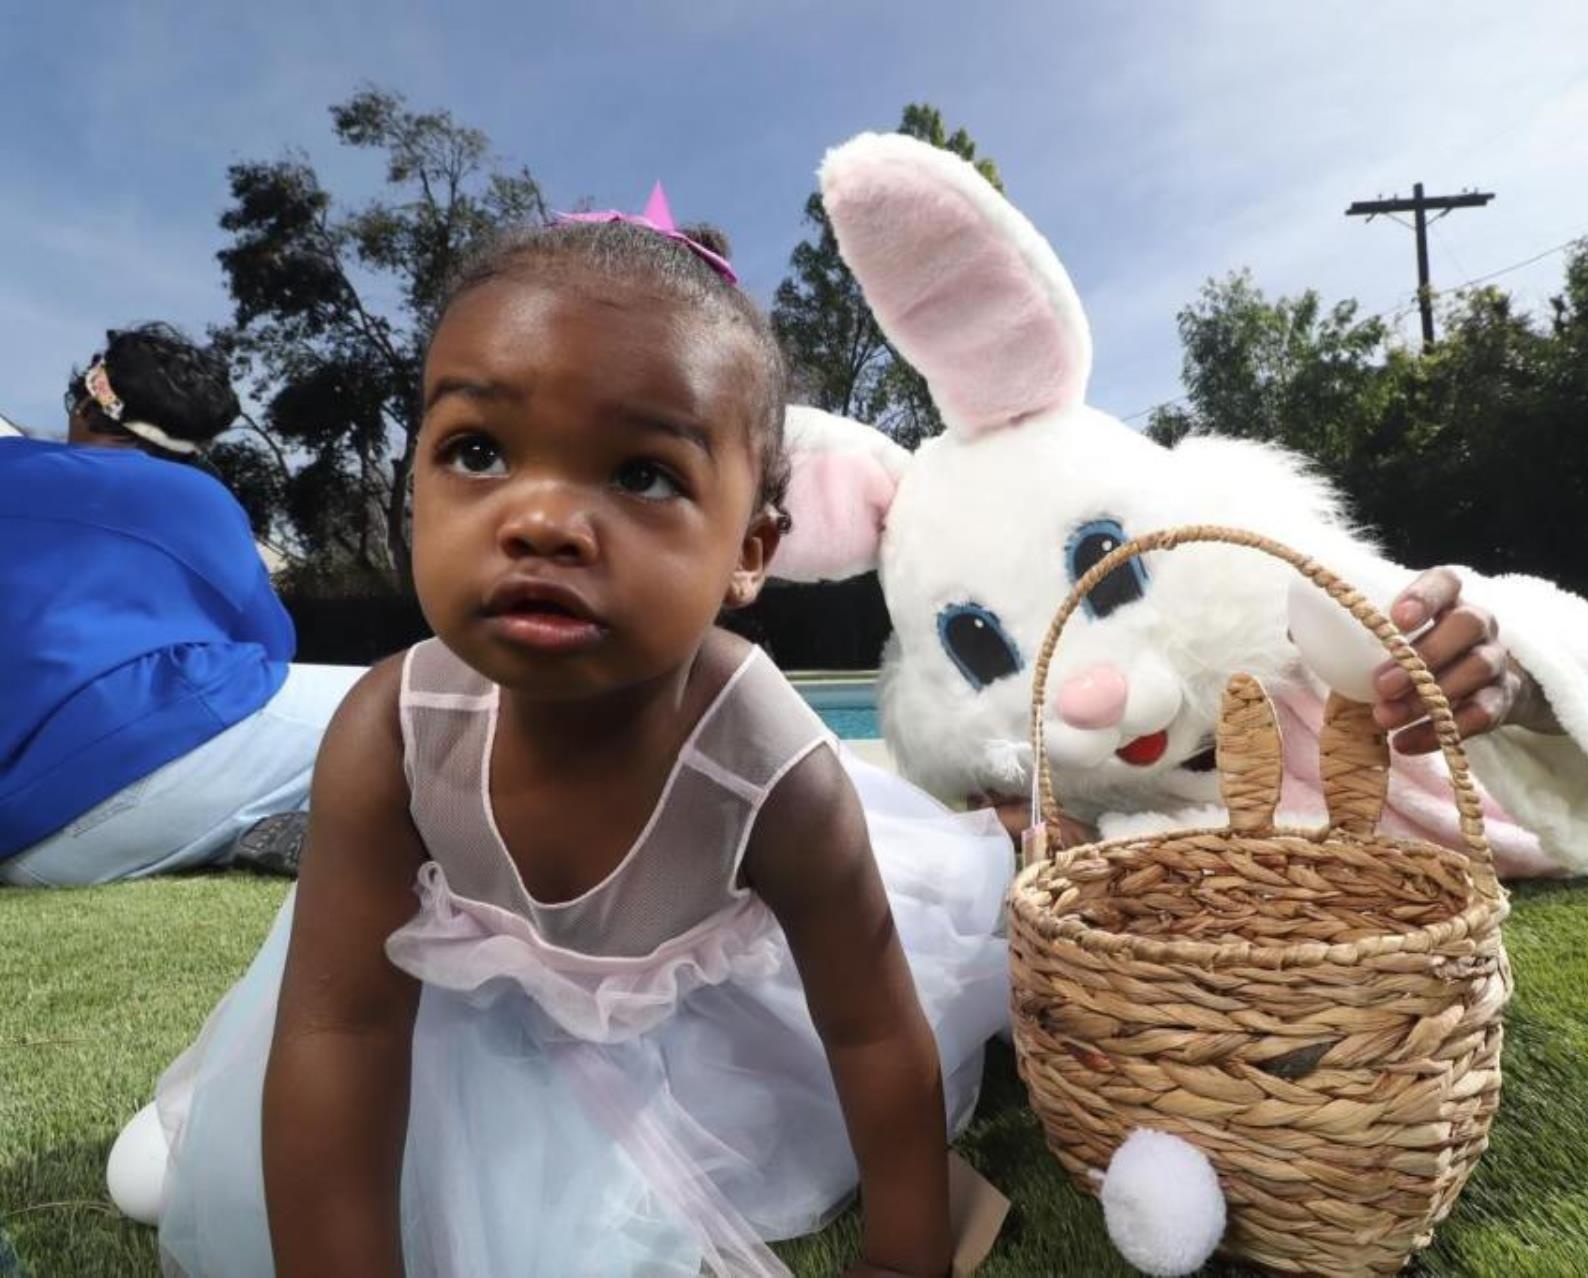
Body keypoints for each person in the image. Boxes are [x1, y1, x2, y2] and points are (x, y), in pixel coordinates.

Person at [114, 200, 1012, 1278]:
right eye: (479, 450)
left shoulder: (774, 776)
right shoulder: (393, 732)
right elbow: (341, 1032)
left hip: (690, 1026)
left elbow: (869, 1033)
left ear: (751, 548)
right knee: (184, 1175)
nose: (540, 518)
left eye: (642, 474)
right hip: (456, 1012)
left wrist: (904, 1256)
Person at [0, 325, 361, 886]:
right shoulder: (195, 498)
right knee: (437, 700)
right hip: (130, 777)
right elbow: (271, 649)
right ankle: (298, 817)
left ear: (85, 402)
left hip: (21, 849)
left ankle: (258, 824)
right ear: (195, 445)